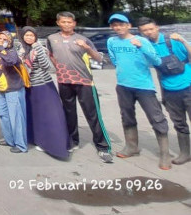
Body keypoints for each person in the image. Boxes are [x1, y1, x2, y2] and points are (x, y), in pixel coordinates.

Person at [46, 12, 113, 163]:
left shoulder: (83, 39)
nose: (67, 24)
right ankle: (72, 141)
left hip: (84, 82)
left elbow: (99, 58)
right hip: (64, 82)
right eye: (64, 22)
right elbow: (51, 54)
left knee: (93, 115)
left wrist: (87, 48)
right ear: (58, 23)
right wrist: (58, 68)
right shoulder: (52, 38)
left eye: (70, 22)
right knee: (69, 114)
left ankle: (103, 147)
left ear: (74, 23)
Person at [107, 13, 170, 169]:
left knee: (156, 118)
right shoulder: (111, 41)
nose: (118, 27)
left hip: (144, 86)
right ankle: (131, 147)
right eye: (115, 25)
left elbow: (157, 60)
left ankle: (164, 154)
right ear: (111, 27)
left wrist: (142, 48)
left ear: (129, 25)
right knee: (127, 116)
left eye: (121, 24)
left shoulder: (141, 40)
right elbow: (114, 60)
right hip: (123, 85)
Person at [138, 17, 191, 165]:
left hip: (188, 86)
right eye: (144, 31)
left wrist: (183, 41)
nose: (148, 32)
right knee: (179, 123)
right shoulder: (146, 46)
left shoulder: (172, 40)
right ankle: (185, 153)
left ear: (157, 27)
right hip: (169, 91)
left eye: (150, 29)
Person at [19, 27, 70, 160]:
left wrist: (38, 50)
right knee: (36, 117)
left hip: (43, 86)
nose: (29, 38)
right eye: (26, 35)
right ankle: (38, 140)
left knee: (50, 117)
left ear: (35, 37)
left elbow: (49, 67)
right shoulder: (22, 49)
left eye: (31, 35)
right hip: (29, 87)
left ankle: (55, 146)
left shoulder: (38, 48)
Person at [0, 31, 27, 153]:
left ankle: (21, 145)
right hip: (2, 89)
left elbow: (11, 62)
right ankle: (9, 139)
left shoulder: (12, 53)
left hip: (14, 89)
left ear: (10, 41)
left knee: (16, 117)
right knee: (3, 115)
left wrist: (2, 49)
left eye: (4, 39)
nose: (1, 41)